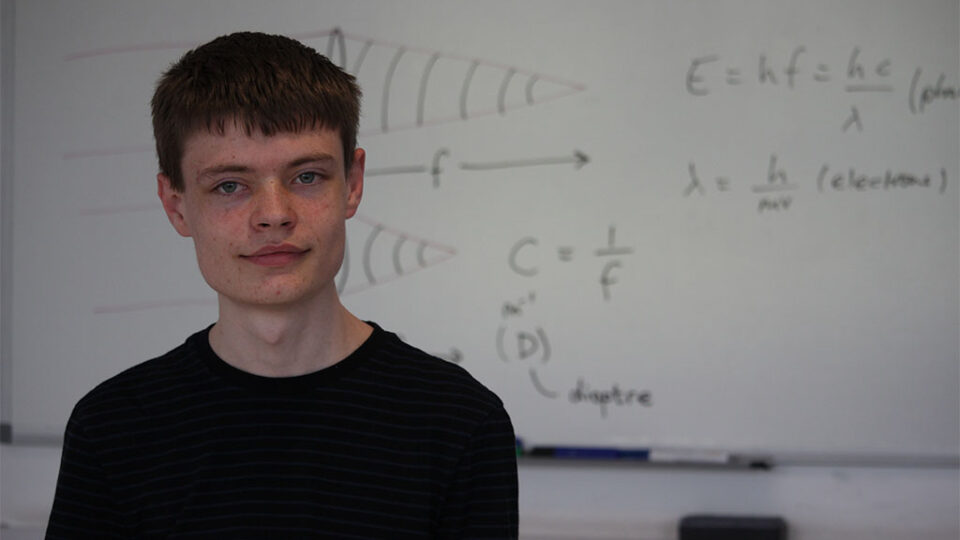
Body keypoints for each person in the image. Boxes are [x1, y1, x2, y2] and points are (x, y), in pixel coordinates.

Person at [46, 31, 518, 539]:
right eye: (230, 185)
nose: (273, 215)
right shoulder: (112, 428)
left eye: (307, 177)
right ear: (176, 203)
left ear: (353, 184)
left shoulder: (460, 423)